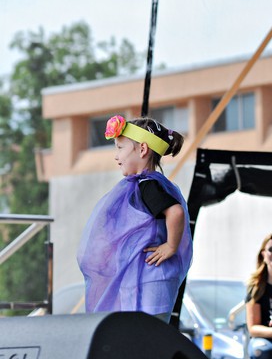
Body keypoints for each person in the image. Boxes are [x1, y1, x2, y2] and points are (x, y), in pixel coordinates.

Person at [77, 115, 192, 323]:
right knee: (140, 335)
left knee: (148, 335)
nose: (116, 155)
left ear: (142, 150)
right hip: (143, 279)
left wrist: (170, 246)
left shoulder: (147, 185)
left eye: (120, 148)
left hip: (151, 280)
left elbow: (175, 212)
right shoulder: (142, 185)